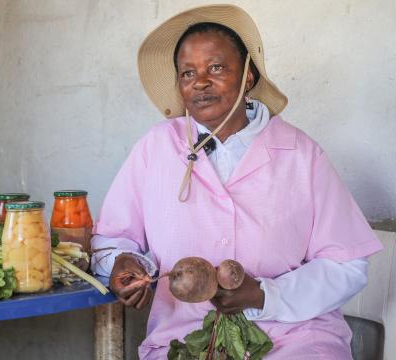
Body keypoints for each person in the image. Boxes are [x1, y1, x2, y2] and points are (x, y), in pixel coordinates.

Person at [91, 4, 382, 359]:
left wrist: (264, 295)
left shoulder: (301, 153)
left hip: (293, 342)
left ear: (248, 75)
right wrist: (122, 261)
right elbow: (111, 240)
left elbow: (347, 264)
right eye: (187, 73)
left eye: (216, 67)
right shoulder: (156, 148)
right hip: (185, 340)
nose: (200, 81)